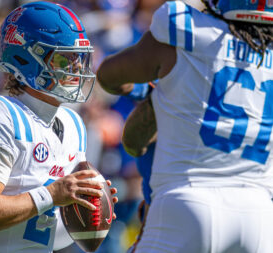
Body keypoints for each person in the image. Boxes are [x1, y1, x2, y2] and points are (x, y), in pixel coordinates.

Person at [0, 2, 117, 253]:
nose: (77, 68)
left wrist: (88, 205)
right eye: (64, 59)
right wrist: (53, 195)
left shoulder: (73, 125)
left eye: (79, 58)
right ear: (27, 58)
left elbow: (42, 236)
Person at [97, 0, 273, 252]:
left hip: (188, 200)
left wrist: (154, 92)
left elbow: (108, 76)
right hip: (259, 214)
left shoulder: (188, 32)